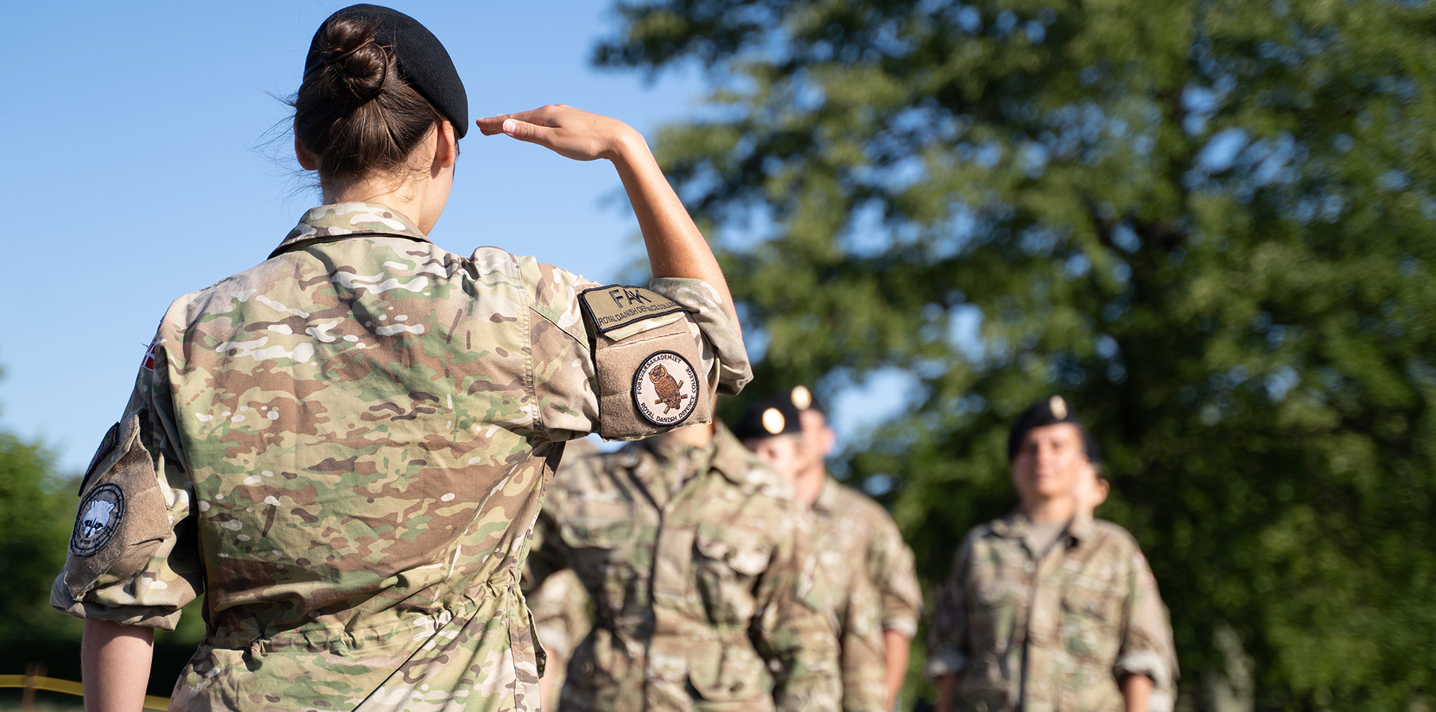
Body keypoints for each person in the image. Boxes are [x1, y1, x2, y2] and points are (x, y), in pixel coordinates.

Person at [50, 5, 751, 712]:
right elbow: (708, 348)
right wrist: (627, 149)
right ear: (445, 143)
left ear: (304, 143)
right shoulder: (515, 312)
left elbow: (121, 587)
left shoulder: (196, 329)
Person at [523, 419, 840, 711]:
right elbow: (499, 581)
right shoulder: (585, 483)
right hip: (602, 698)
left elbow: (807, 648)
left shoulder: (767, 495)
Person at [926, 396, 1177, 712]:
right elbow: (950, 656)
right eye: (1030, 449)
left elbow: (1142, 658)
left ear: (1083, 463)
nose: (1043, 458)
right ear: (1014, 465)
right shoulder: (980, 549)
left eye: (1058, 447)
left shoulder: (1114, 549)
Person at [739, 389, 924, 711]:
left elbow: (898, 615)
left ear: (826, 439)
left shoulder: (866, 520)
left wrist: (884, 698)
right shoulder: (745, 522)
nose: (803, 438)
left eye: (808, 429)